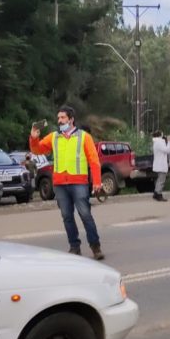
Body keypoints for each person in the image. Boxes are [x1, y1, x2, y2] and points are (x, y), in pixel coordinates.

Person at [29, 106, 105, 259]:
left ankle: (95, 247)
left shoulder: (84, 137)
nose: (59, 121)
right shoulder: (53, 137)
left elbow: (94, 161)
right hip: (60, 184)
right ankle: (74, 247)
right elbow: (37, 150)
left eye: (63, 118)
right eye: (58, 118)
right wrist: (34, 138)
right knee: (67, 216)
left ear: (71, 120)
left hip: (79, 183)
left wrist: (97, 182)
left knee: (85, 214)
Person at [151, 130, 170, 202]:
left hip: (159, 164)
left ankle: (156, 193)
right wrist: (169, 142)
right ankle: (158, 195)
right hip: (161, 164)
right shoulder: (159, 142)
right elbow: (167, 150)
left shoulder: (157, 142)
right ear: (160, 135)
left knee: (159, 180)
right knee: (161, 181)